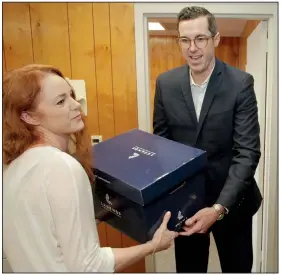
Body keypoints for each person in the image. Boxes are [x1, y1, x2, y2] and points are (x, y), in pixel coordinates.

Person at [3, 64, 178, 272]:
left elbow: (47, 235)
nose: (76, 105)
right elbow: (89, 265)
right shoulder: (63, 167)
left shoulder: (13, 168)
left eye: (71, 95)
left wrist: (102, 211)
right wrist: (153, 245)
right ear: (29, 117)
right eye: (61, 101)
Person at [153, 6, 262, 273]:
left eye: (200, 38)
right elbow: (162, 144)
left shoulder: (240, 84)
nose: (193, 48)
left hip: (232, 204)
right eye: (185, 40)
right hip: (186, 206)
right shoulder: (165, 84)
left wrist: (218, 208)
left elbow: (246, 152)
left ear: (215, 39)